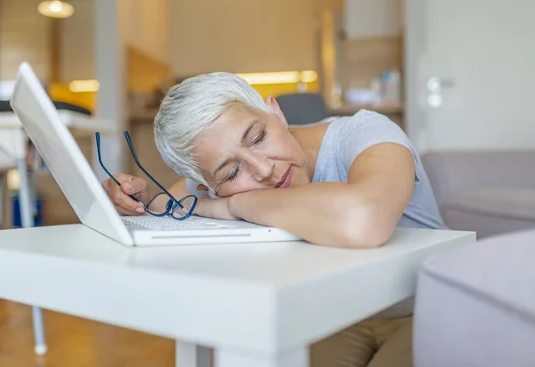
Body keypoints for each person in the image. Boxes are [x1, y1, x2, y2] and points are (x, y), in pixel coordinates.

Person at [101, 72, 446, 367]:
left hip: (428, 305)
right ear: (210, 185)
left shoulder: (364, 133)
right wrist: (138, 199)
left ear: (276, 112)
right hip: (338, 314)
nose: (264, 169)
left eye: (259, 137)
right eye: (233, 170)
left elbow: (363, 220)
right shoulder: (212, 186)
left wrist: (234, 206)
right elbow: (170, 202)